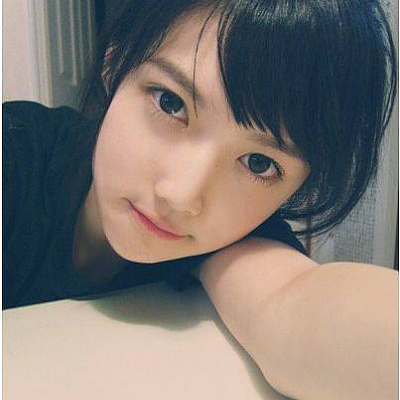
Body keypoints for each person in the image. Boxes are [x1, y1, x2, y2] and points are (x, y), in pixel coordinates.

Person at [3, 0, 398, 399]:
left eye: (259, 163)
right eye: (170, 103)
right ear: (115, 59)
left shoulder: (236, 237)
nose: (182, 196)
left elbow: (295, 306)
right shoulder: (14, 155)